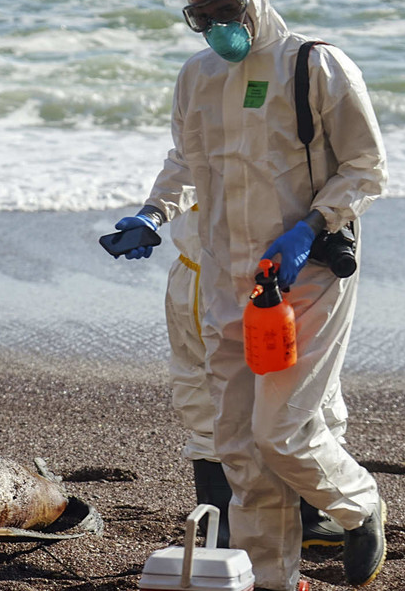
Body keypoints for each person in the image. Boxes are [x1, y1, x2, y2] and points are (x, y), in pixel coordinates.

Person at [112, 0, 388, 588]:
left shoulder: (315, 66)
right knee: (239, 444)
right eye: (200, 16)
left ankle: (359, 504)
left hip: (307, 274)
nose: (216, 26)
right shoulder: (197, 77)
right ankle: (272, 580)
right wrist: (151, 215)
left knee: (282, 432)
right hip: (224, 278)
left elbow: (367, 168)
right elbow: (185, 162)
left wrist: (310, 227)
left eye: (223, 9)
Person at [164, 206, 345, 551]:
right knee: (211, 397)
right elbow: (184, 167)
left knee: (308, 388)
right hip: (216, 273)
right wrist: (154, 211)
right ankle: (228, 526)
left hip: (281, 270)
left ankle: (301, 516)